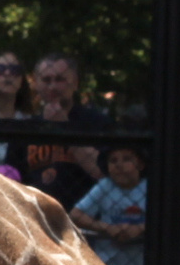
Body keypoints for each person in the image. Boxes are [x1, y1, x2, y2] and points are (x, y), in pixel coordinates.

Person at [21, 50, 112, 207]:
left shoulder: (97, 123)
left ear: (75, 83)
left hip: (83, 213)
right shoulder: (26, 128)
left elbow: (102, 172)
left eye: (60, 79)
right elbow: (13, 173)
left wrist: (63, 127)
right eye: (46, 79)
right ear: (36, 84)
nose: (53, 86)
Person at [71, 144, 148, 265]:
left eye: (127, 159)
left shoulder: (149, 187)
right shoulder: (105, 186)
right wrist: (107, 227)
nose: (119, 165)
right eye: (113, 161)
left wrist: (140, 228)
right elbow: (76, 215)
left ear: (140, 164)